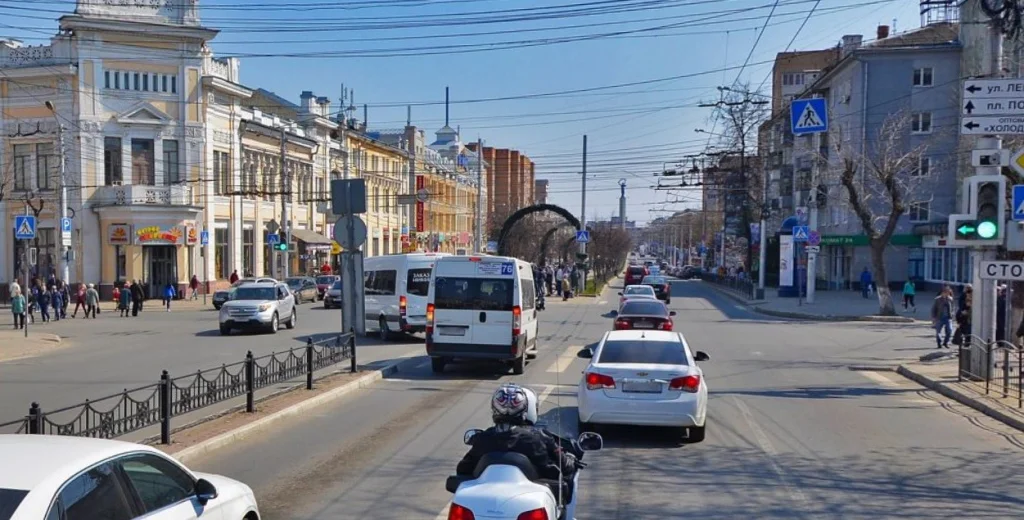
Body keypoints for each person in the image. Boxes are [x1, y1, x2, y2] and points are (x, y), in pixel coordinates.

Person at [456, 383, 578, 499]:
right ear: (525, 409)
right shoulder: (539, 437)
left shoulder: (484, 438)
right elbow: (563, 467)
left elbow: (463, 469)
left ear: (494, 408)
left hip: (486, 498)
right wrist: (570, 459)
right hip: (532, 499)